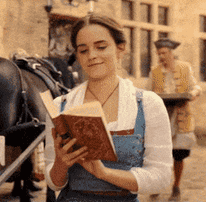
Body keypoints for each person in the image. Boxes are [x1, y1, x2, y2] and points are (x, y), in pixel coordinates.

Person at [44, 13, 173, 202]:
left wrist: (104, 173)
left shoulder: (148, 104)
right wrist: (60, 164)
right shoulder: (60, 106)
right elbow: (53, 183)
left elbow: (161, 177)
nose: (92, 55)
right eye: (83, 50)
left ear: (121, 49)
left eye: (101, 47)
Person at [149, 38, 202, 201]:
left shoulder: (185, 68)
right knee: (160, 155)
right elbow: (148, 93)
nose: (161, 57)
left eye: (164, 53)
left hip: (181, 116)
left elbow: (195, 87)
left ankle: (176, 187)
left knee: (178, 154)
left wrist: (193, 94)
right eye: (159, 54)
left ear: (172, 53)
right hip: (162, 117)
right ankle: (158, 184)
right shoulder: (154, 72)